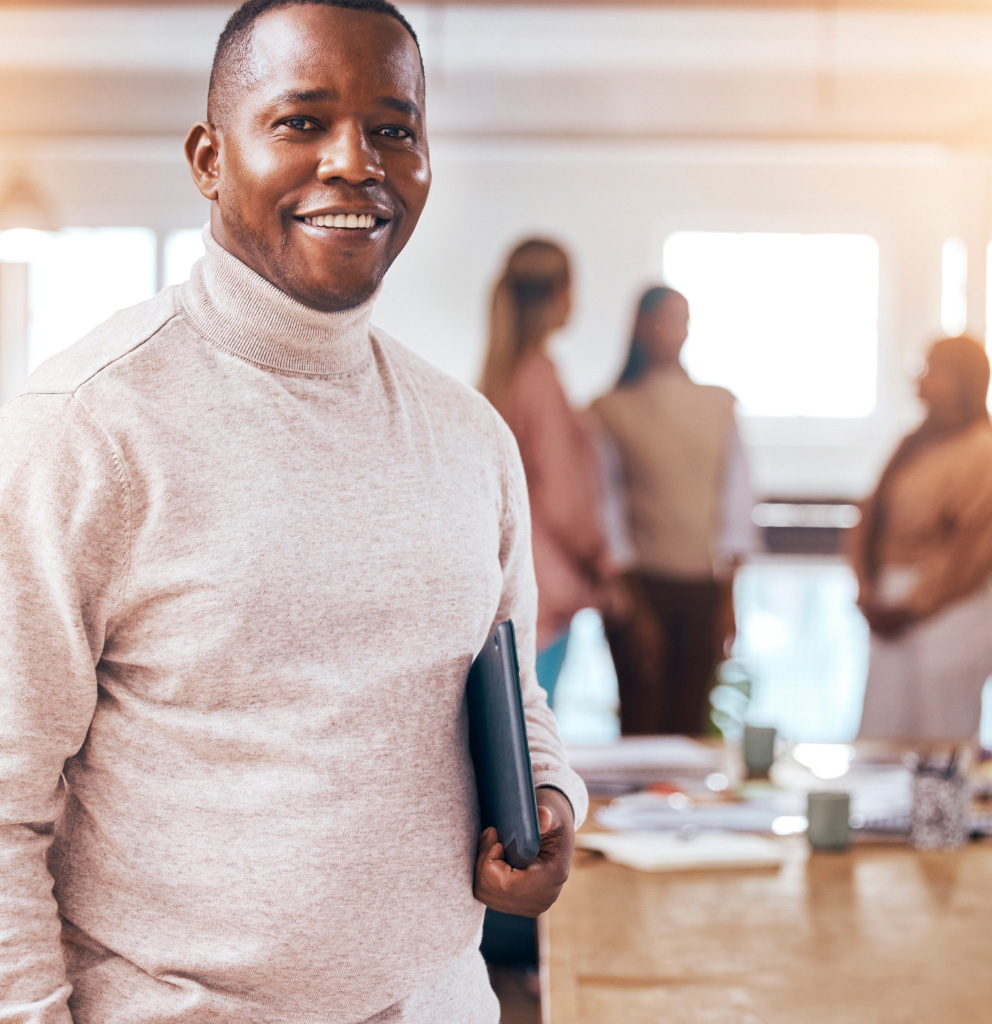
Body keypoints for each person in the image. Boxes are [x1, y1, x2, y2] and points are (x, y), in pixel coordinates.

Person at [0, 3, 587, 1023]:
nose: (355, 162)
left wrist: (547, 801)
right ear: (208, 158)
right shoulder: (88, 425)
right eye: (302, 121)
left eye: (392, 127)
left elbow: (510, 695)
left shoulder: (469, 435)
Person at [591, 285, 755, 736]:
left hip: (703, 588)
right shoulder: (610, 410)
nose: (672, 330)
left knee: (691, 727)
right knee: (642, 724)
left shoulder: (720, 405)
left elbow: (735, 505)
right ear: (640, 327)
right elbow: (607, 512)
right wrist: (635, 608)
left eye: (681, 320)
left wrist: (728, 599)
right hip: (639, 588)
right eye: (661, 319)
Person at [478, 238, 613, 709]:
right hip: (546, 587)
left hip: (510, 581)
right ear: (557, 293)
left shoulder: (497, 376)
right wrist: (602, 561)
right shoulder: (541, 378)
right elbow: (565, 498)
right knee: (538, 733)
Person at [852, 335, 992, 741]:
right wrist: (867, 589)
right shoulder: (912, 444)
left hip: (948, 613)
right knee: (883, 732)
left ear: (965, 382)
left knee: (939, 740)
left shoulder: (981, 452)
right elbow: (869, 519)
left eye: (936, 370)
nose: (923, 380)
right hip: (891, 607)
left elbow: (972, 553)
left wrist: (912, 607)